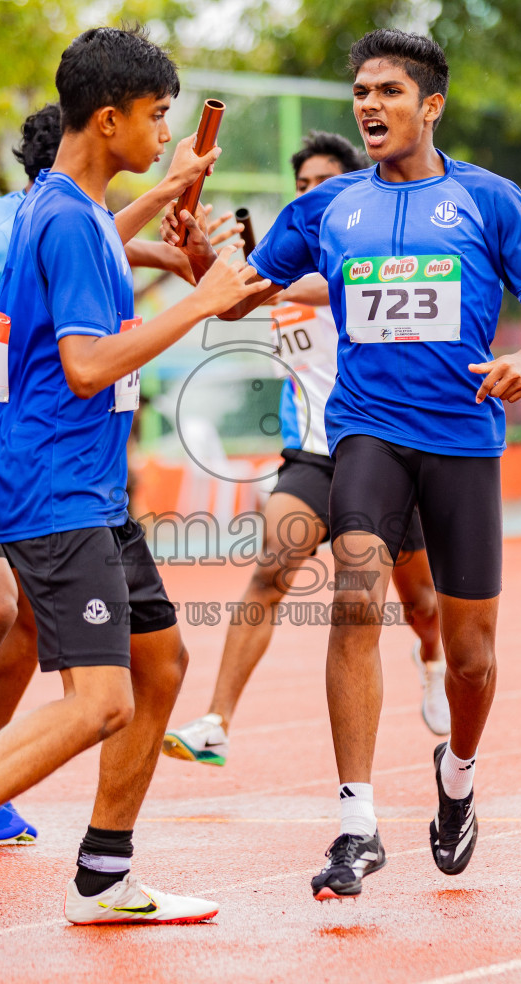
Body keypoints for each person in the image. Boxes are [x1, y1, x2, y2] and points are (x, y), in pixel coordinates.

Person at [0, 26, 270, 963]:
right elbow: (84, 365)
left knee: (159, 668)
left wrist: (161, 202)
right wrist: (201, 301)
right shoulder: (71, 219)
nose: (167, 133)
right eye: (159, 118)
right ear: (109, 117)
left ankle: (105, 876)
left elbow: (74, 279)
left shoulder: (60, 205)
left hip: (78, 482)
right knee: (100, 701)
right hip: (55, 485)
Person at [170, 29, 521, 900]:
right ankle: (356, 823)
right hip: (363, 432)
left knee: (470, 656)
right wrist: (199, 253)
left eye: (389, 91)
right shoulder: (331, 208)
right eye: (361, 92)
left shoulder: (490, 201)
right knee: (355, 598)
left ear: (431, 105)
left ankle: (458, 776)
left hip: (464, 444)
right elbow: (246, 290)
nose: (369, 106)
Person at [0, 102, 221, 847]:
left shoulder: (67, 219)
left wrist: (170, 234)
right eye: (155, 118)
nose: (161, 133)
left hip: (45, 464)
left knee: (122, 653)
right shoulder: (5, 226)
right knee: (2, 612)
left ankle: (30, 812)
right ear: (101, 130)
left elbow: (102, 245)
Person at [162, 130, 448, 770]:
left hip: (382, 450)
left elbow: (307, 285)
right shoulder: (288, 262)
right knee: (270, 569)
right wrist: (205, 255)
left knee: (422, 603)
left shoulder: (357, 256)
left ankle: (431, 658)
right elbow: (236, 296)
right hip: (313, 457)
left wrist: (248, 277)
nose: (311, 196)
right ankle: (216, 722)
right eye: (302, 188)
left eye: (323, 184)